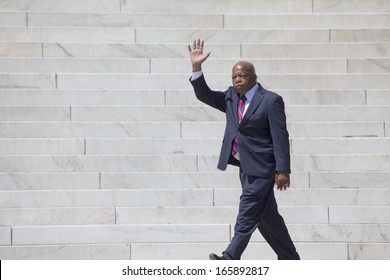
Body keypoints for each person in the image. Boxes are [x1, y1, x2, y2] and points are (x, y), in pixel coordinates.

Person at [188, 39, 300, 260]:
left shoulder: (271, 101)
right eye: (234, 76)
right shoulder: (231, 97)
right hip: (245, 167)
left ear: (254, 77)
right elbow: (204, 95)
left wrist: (283, 169)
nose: (238, 79)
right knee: (267, 216)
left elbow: (280, 137)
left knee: (247, 212)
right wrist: (196, 67)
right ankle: (290, 259)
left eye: (243, 75)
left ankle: (230, 258)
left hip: (264, 168)